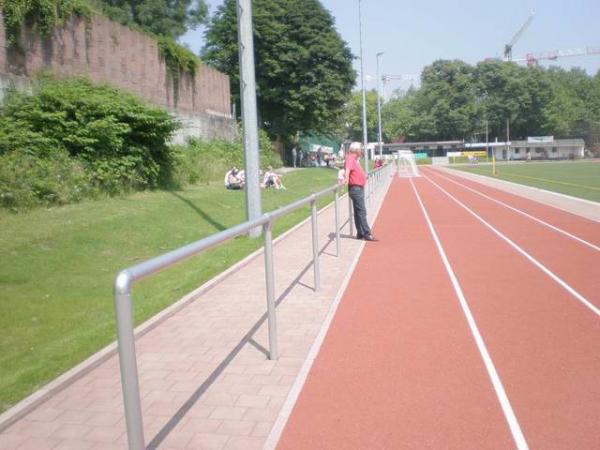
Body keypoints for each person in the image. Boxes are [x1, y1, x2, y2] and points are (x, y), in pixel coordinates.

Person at [345, 142, 376, 241]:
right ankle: (367, 233)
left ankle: (360, 233)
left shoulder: (355, 159)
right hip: (356, 188)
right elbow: (347, 169)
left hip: (357, 188)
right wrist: (346, 178)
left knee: (358, 211)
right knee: (362, 211)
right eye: (361, 149)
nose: (362, 151)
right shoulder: (350, 158)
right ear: (356, 150)